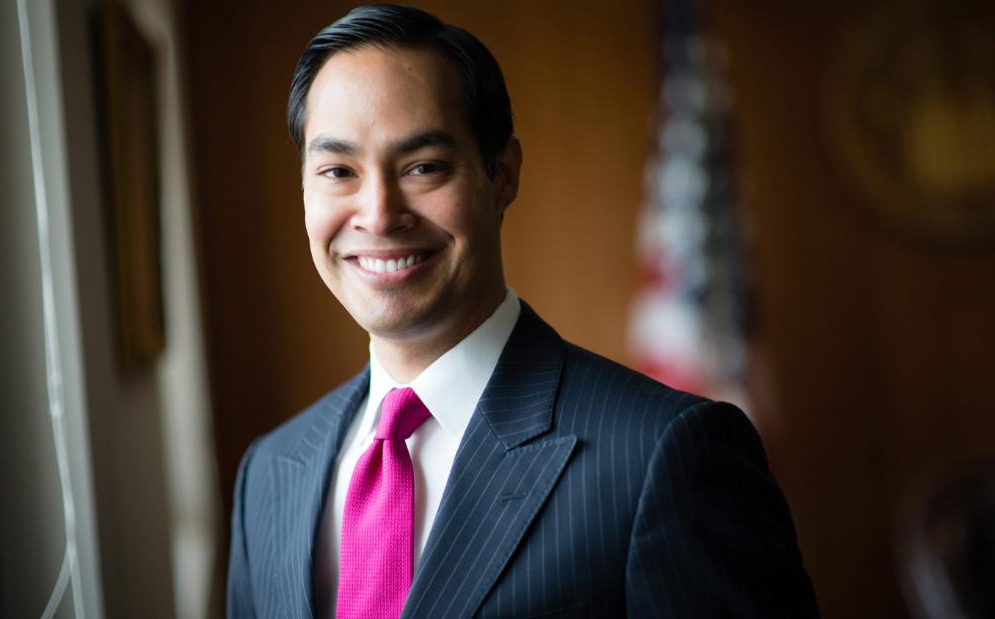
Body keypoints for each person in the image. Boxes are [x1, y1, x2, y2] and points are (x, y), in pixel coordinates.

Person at [226, 5, 820, 618]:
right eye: (338, 171)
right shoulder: (271, 473)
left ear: (501, 175)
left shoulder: (662, 454)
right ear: (304, 189)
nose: (378, 214)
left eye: (423, 166)